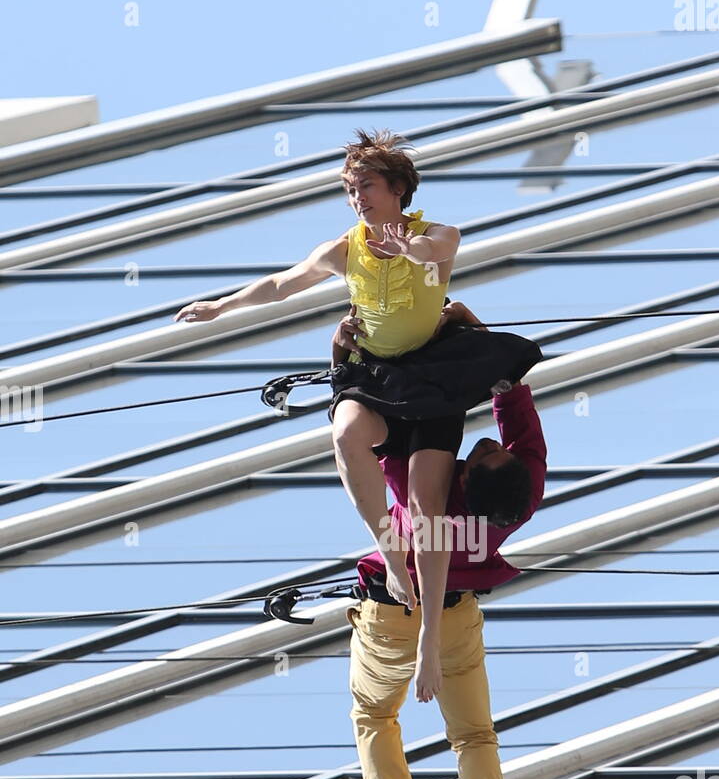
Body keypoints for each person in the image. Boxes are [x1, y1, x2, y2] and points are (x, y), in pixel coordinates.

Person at [174, 129, 541, 703]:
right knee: (346, 435)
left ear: (397, 188)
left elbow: (435, 253)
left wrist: (407, 249)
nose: (357, 197)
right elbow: (281, 284)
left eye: (366, 185)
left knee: (428, 506)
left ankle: (428, 645)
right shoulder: (345, 249)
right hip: (376, 378)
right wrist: (220, 307)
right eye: (349, 188)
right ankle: (395, 559)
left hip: (433, 380)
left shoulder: (436, 234)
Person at [334, 300, 547, 779]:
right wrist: (477, 338)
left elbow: (386, 442)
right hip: (455, 617)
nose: (483, 446)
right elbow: (511, 400)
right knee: (474, 734)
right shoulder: (515, 498)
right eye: (490, 450)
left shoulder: (432, 483)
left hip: (388, 610)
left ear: (467, 478)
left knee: (375, 717)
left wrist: (352, 357)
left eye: (480, 456)